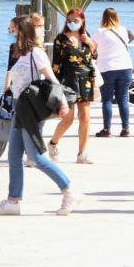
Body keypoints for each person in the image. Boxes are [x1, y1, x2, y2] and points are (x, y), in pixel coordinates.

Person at [0, 20, 80, 217]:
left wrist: (63, 103)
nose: (10, 32)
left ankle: (69, 191)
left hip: (31, 110)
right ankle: (13, 201)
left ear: (22, 31)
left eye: (13, 29)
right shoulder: (19, 53)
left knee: (35, 157)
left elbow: (52, 80)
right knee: (13, 156)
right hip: (18, 108)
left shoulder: (36, 53)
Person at [49, 8, 98, 163]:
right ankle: (53, 143)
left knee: (85, 117)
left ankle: (82, 153)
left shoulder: (86, 37)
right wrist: (54, 85)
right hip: (67, 80)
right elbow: (55, 64)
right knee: (68, 118)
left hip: (85, 79)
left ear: (82, 21)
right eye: (69, 20)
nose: (72, 23)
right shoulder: (61, 38)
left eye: (75, 21)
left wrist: (90, 42)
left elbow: (94, 57)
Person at [93, 7, 134, 138]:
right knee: (123, 98)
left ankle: (107, 129)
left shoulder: (100, 32)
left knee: (107, 100)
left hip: (108, 68)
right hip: (126, 67)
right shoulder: (123, 30)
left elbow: (92, 47)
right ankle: (126, 129)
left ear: (103, 17)